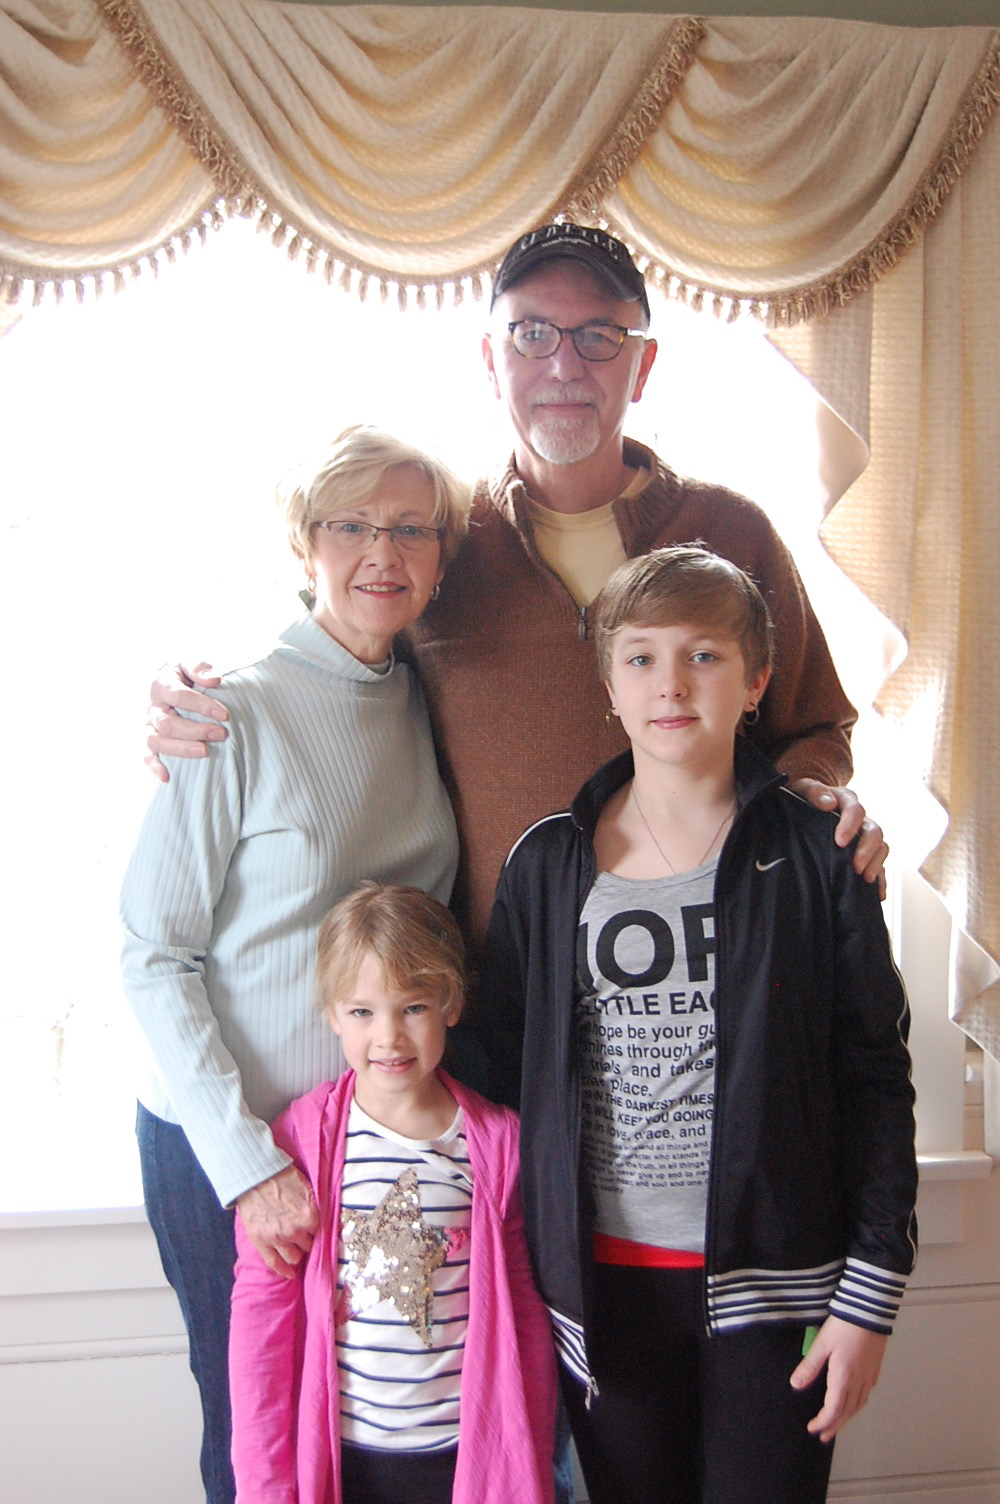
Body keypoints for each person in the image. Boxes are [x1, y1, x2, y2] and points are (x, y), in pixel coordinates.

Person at [143, 223, 888, 973]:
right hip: (499, 992)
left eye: (599, 335)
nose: (564, 365)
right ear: (491, 362)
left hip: (707, 975)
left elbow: (816, 725)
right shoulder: (440, 541)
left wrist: (811, 806)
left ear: (642, 365)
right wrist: (205, 703)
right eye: (531, 334)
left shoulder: (732, 534)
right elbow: (334, 661)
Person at [482, 545, 918, 1504]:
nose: (670, 684)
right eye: (640, 658)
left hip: (783, 1286)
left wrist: (870, 1296)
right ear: (608, 684)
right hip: (603, 1297)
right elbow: (504, 1076)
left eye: (704, 656)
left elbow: (875, 1079)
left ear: (757, 681)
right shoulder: (547, 865)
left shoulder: (821, 856)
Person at [120, 427, 470, 1504]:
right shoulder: (230, 709)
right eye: (351, 524)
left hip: (365, 1143)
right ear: (304, 543)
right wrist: (248, 1163)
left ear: (442, 556)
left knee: (364, 1444)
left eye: (411, 528)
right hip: (230, 1145)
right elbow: (154, 953)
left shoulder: (430, 698)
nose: (383, 551)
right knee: (255, 1438)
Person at [229, 881, 557, 1504]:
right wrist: (263, 1487)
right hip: (346, 1462)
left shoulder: (500, 1145)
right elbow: (260, 1324)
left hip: (462, 1462)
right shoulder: (298, 1143)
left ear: (452, 1004)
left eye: (413, 1007)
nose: (388, 1037)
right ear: (331, 1014)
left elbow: (525, 1319)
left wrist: (527, 1463)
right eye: (362, 1012)